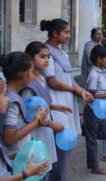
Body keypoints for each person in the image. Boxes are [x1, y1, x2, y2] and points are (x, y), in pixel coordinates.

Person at [41, 19, 93, 181]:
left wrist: (81, 90)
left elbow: (69, 78)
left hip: (66, 105)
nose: (69, 36)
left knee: (66, 147)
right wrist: (73, 90)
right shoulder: (46, 52)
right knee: (58, 148)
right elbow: (52, 81)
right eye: (66, 32)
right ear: (55, 34)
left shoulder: (62, 52)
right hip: (55, 107)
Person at [21, 42, 72, 181]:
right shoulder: (28, 84)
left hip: (44, 131)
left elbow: (41, 104)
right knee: (37, 169)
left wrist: (56, 107)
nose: (47, 60)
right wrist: (50, 124)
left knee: (45, 167)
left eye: (48, 57)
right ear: (30, 58)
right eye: (42, 56)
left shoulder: (41, 78)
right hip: (34, 133)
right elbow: (27, 116)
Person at [0, 79, 50, 180]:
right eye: (5, 95)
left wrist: (14, 156)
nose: (8, 99)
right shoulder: (15, 102)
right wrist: (26, 174)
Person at [1, 52, 49, 153]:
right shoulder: (12, 101)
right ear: (24, 74)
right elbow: (9, 139)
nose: (33, 75)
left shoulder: (11, 95)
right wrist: (36, 121)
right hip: (13, 159)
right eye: (32, 71)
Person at [84, 45, 106, 175]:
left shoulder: (102, 71)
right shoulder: (94, 74)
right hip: (93, 110)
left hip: (102, 109)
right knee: (92, 138)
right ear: (99, 59)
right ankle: (94, 165)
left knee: (105, 132)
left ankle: (86, 128)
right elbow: (91, 96)